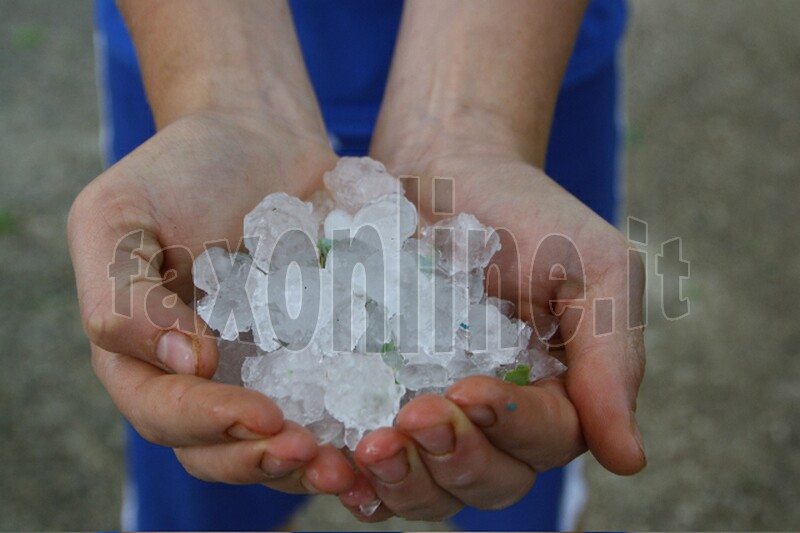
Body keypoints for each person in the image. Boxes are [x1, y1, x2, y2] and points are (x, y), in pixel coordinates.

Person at [69, 0, 646, 530]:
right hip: (185, 48)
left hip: (522, 55)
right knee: (200, 466)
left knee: (510, 466)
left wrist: (472, 118)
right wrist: (222, 94)